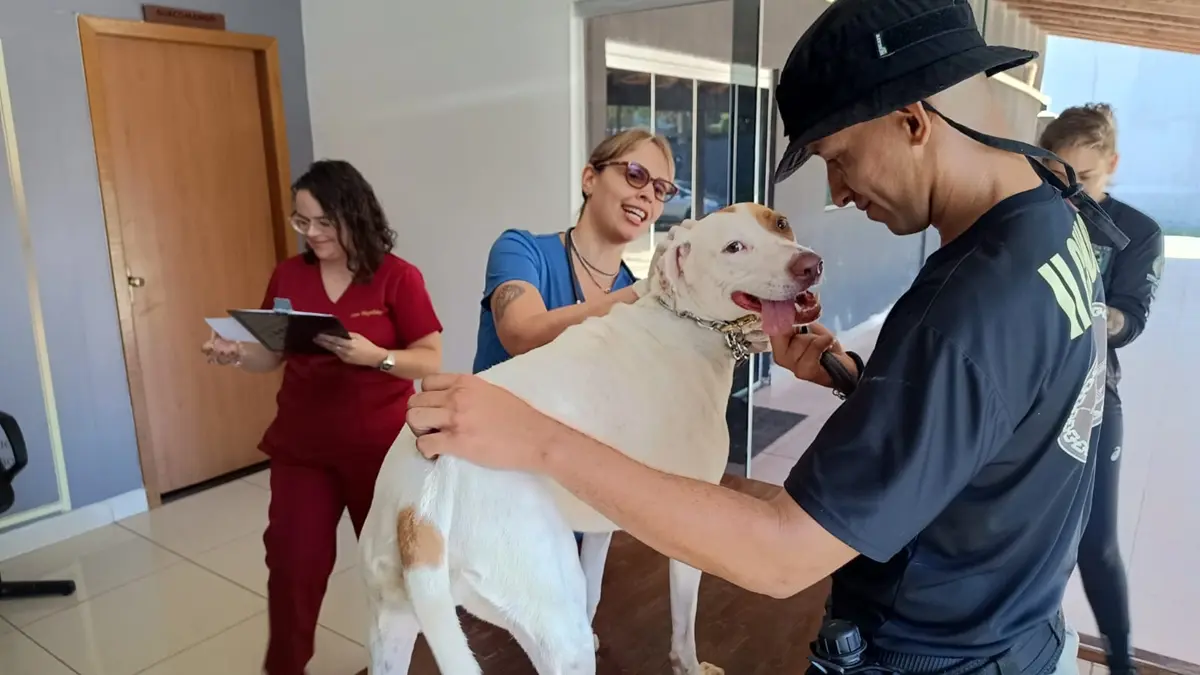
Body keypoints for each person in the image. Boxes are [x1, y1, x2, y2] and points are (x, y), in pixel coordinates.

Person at [406, 2, 1136, 675]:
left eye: (837, 160)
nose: (840, 194)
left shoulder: (964, 306)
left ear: (912, 120)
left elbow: (782, 554)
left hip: (939, 653)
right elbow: (989, 414)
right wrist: (859, 378)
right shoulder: (1052, 223)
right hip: (1022, 633)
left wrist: (540, 440)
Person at [201, 159, 443, 675]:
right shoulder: (289, 275)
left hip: (379, 451)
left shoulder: (398, 278)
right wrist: (236, 353)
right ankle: (284, 667)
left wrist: (374, 355)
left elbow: (429, 357)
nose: (310, 233)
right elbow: (273, 355)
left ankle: (398, 662)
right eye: (301, 221)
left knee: (391, 570)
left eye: (322, 222)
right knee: (292, 564)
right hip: (303, 448)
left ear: (354, 215)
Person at [1039, 104, 1164, 675]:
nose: (1069, 192)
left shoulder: (1137, 232)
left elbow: (1131, 319)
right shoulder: (1033, 215)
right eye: (1055, 176)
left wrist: (1090, 313)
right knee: (1023, 529)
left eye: (1083, 179)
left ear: (1110, 165)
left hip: (1091, 395)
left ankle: (1120, 662)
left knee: (1096, 542)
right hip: (1026, 391)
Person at [472, 127, 677, 373]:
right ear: (590, 179)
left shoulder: (635, 295)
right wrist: (644, 291)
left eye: (660, 190)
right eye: (635, 174)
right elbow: (521, 334)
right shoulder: (520, 250)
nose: (647, 195)